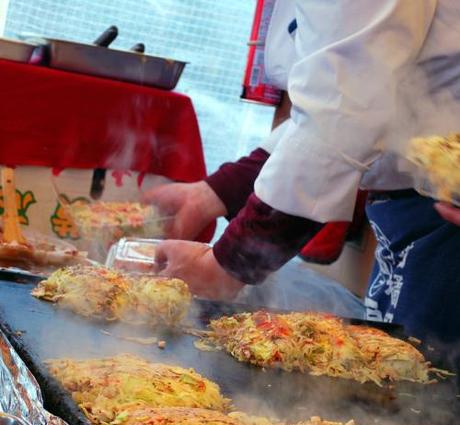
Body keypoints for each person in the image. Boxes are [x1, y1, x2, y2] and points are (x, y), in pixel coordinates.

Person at [147, 0, 460, 354]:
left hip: (442, 214)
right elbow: (326, 103)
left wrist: (226, 266)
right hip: (411, 205)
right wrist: (216, 192)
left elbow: (343, 111)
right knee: (402, 371)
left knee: (428, 386)